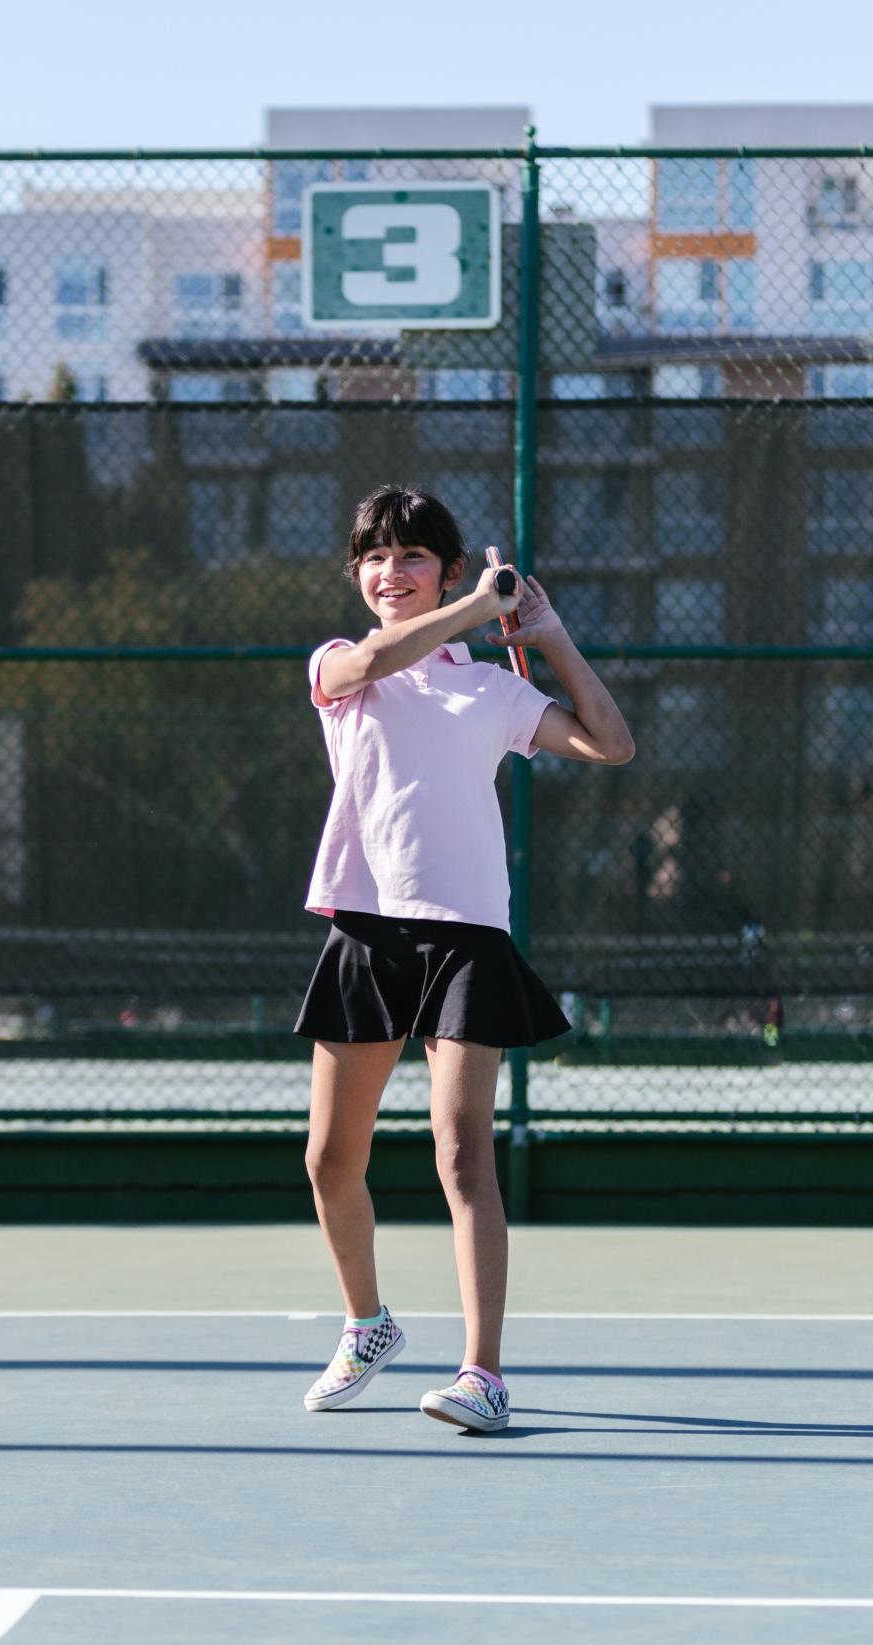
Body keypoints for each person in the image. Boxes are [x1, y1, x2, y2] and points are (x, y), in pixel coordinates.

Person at [293, 484, 635, 1432]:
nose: (387, 572)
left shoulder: (491, 688)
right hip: (365, 928)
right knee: (328, 1160)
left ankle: (482, 1372)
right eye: (374, 558)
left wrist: (549, 633)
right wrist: (480, 605)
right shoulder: (343, 666)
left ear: (443, 567)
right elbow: (375, 656)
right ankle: (368, 1324)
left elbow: (612, 743)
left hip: (467, 937)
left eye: (409, 556)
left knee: (461, 1153)